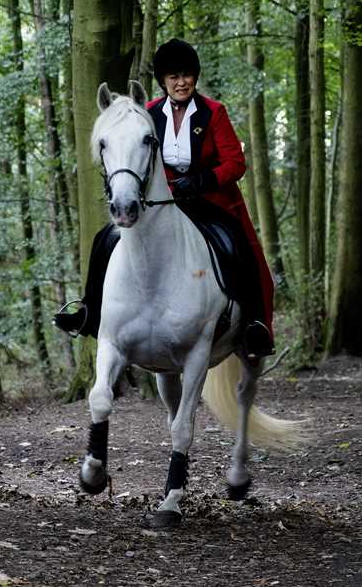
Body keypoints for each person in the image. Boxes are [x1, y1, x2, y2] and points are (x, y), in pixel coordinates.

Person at [54, 38, 276, 357]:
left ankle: (255, 326)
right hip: (158, 204)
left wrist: (199, 181)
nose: (180, 82)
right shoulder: (147, 113)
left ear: (194, 77)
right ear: (163, 81)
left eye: (186, 75)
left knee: (240, 248)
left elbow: (235, 163)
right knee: (104, 239)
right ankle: (89, 313)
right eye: (173, 76)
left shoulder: (214, 112)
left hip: (209, 202)